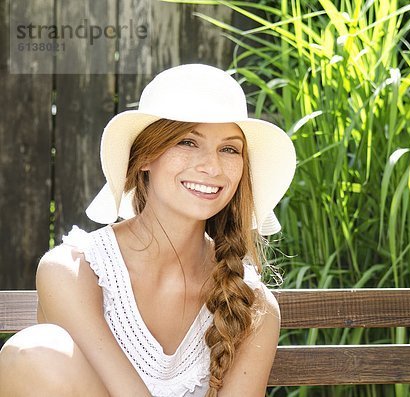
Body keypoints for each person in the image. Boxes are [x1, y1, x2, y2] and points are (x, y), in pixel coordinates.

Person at [0, 64, 296, 397]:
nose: (212, 166)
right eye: (187, 142)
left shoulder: (251, 304)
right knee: (36, 351)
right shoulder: (72, 272)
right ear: (144, 157)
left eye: (229, 149)